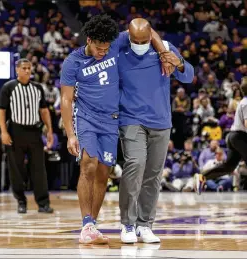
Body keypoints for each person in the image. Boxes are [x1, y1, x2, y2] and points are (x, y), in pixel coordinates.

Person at [60, 14, 174, 245]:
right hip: (87, 118)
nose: (104, 51)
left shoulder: (116, 42)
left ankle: (93, 224)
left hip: (112, 119)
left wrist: (163, 52)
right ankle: (87, 223)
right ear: (89, 40)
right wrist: (70, 134)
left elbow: (147, 31)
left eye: (107, 48)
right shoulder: (73, 62)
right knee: (88, 164)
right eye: (100, 48)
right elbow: (66, 99)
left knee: (104, 171)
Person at [118, 18, 194, 243]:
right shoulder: (120, 51)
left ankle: (145, 224)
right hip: (131, 119)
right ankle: (128, 225)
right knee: (135, 165)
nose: (139, 44)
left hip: (161, 121)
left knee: (153, 175)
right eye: (135, 40)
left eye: (144, 39)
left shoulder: (167, 48)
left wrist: (178, 63)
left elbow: (188, 75)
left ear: (152, 35)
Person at [0, 58, 54, 214]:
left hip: (34, 132)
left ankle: (43, 203)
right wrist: (3, 131)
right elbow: (1, 110)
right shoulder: (8, 87)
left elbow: (44, 111)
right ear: (17, 70)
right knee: (17, 169)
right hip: (16, 131)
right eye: (24, 68)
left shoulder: (37, 88)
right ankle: (21, 201)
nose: (27, 71)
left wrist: (49, 130)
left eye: (29, 68)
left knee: (39, 169)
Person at [195, 77, 247, 194]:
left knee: (228, 167)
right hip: (239, 136)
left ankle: (201, 177)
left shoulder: (243, 101)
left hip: (233, 136)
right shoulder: (246, 103)